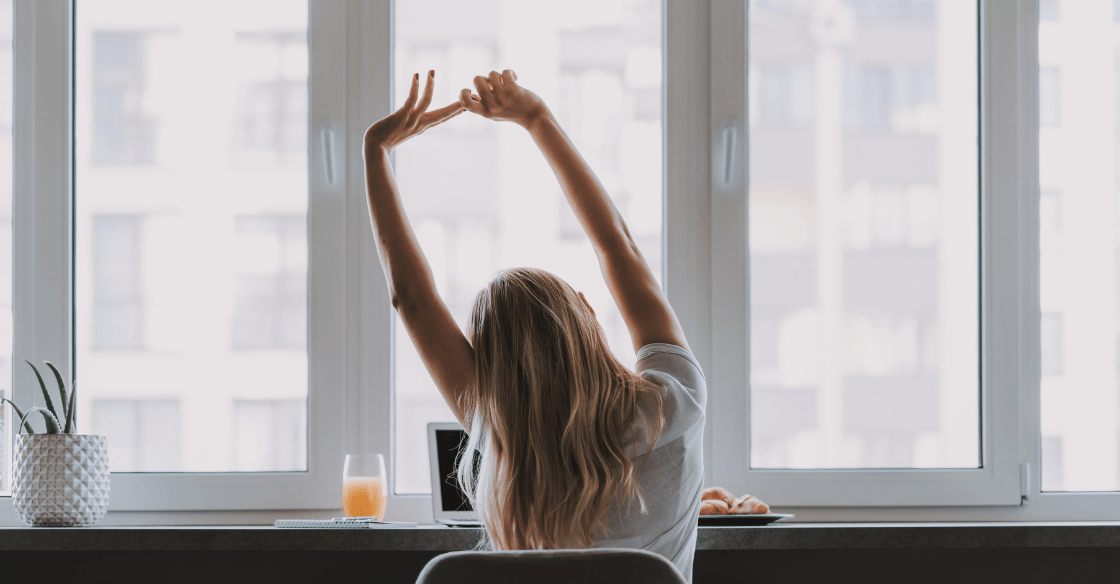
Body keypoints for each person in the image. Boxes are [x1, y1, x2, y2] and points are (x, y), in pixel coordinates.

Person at [363, 69, 706, 581]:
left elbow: (411, 299)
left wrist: (376, 151)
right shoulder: (674, 405)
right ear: (588, 314)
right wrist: (536, 118)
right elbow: (618, 248)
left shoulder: (495, 424)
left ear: (489, 365)